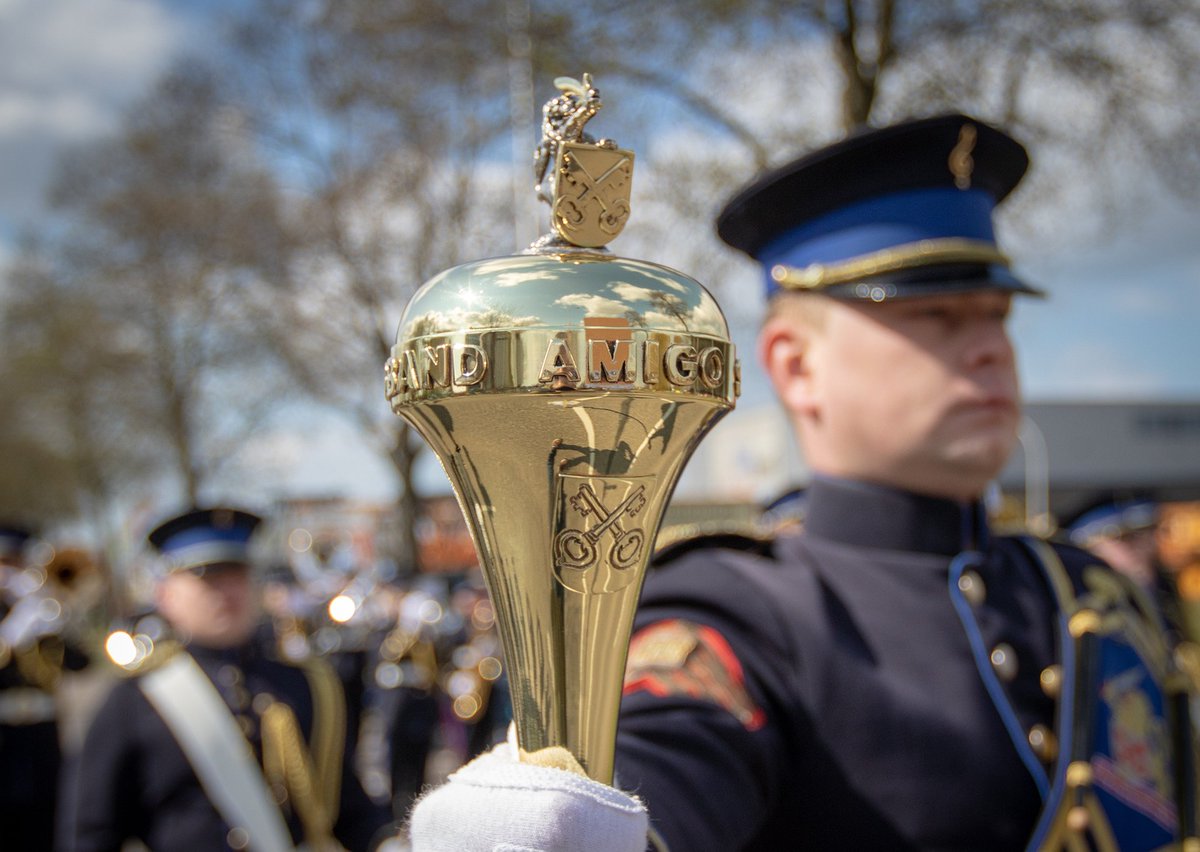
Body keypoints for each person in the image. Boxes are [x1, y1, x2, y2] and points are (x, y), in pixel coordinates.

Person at [408, 115, 1193, 850]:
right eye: (937, 317)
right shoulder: (741, 610)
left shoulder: (1087, 591)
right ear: (795, 364)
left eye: (996, 315)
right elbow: (670, 758)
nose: (989, 347)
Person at [66, 506, 393, 852]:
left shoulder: (306, 684)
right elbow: (91, 832)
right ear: (166, 594)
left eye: (237, 574)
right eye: (206, 576)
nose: (226, 591)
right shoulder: (135, 700)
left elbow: (349, 810)